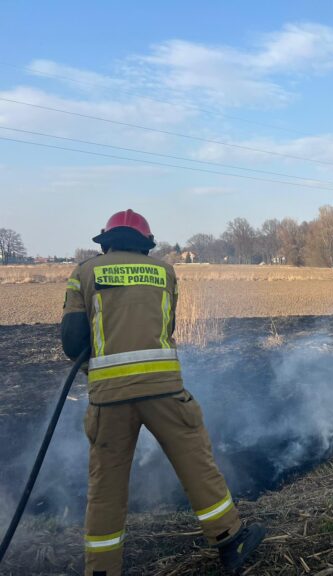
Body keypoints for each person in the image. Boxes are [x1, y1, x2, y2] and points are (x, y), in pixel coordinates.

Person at [61, 209, 265, 575]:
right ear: (146, 244)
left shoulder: (85, 272)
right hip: (164, 391)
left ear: (105, 241)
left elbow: (72, 342)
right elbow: (167, 325)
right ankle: (231, 542)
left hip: (109, 396)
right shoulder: (164, 271)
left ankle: (102, 570)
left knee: (105, 487)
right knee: (196, 464)